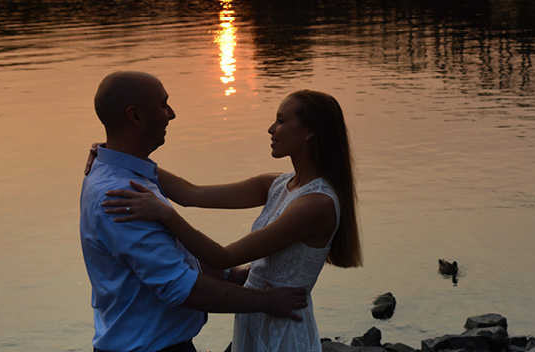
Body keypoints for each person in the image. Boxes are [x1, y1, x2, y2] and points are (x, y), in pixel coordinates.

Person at [101, 88, 363, 352]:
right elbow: (191, 193)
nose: (271, 129)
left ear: (310, 131)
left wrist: (165, 214)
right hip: (256, 315)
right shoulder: (277, 184)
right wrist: (115, 156)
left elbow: (222, 257)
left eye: (281, 121)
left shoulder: (315, 204)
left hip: (283, 326)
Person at [81, 71, 308, 352]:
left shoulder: (125, 173)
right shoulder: (119, 196)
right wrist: (266, 302)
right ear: (135, 116)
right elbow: (180, 287)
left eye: (282, 120)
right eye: (164, 105)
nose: (172, 114)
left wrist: (105, 152)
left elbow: (191, 195)